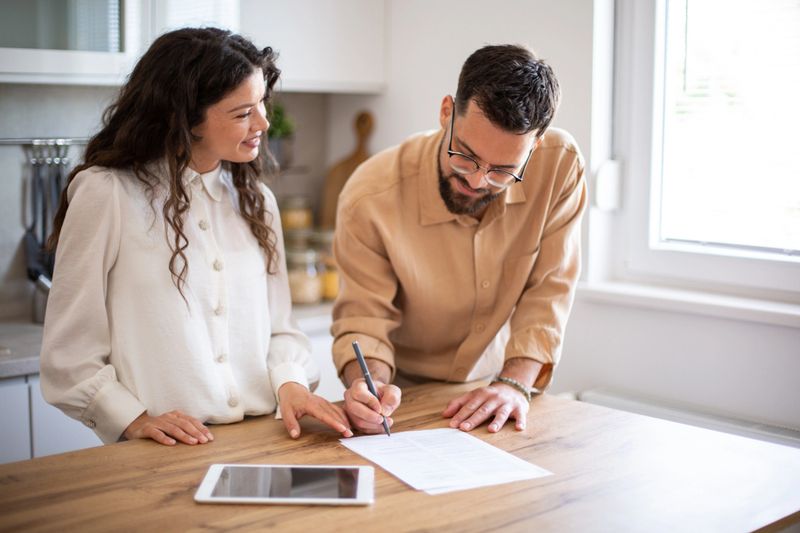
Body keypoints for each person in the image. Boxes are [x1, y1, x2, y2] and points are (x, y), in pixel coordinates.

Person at [40, 27, 352, 446]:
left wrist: (291, 383)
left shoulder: (255, 200)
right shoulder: (107, 194)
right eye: (243, 113)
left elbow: (281, 329)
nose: (263, 122)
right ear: (183, 119)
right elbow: (69, 354)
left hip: (265, 438)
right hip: (162, 453)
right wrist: (131, 419)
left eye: (262, 104)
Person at [332, 44, 586, 435]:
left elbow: (550, 288)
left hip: (499, 388)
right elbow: (364, 319)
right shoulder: (369, 196)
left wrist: (515, 382)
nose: (476, 181)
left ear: (534, 146)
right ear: (447, 111)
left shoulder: (561, 165)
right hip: (405, 396)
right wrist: (370, 386)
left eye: (503, 171)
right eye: (464, 156)